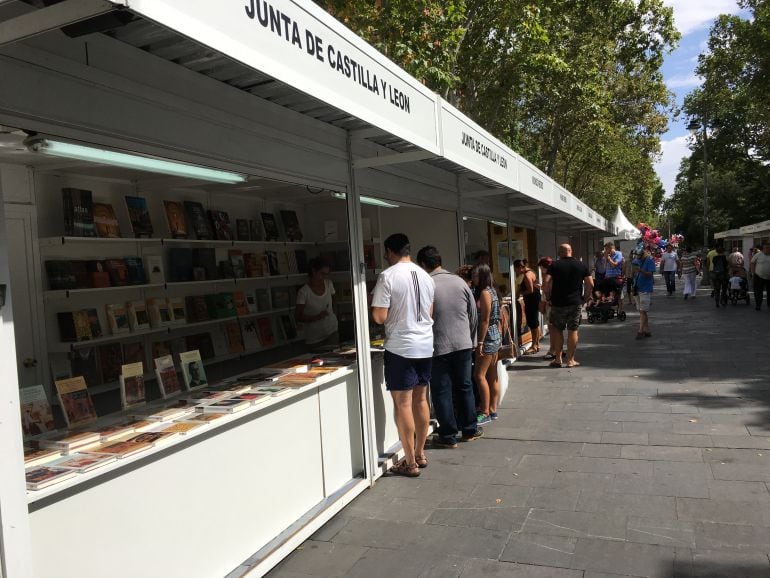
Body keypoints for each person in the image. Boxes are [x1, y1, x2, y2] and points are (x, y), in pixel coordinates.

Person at [371, 233, 435, 478]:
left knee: (403, 404)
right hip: (425, 344)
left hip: (401, 347)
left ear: (390, 251)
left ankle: (410, 462)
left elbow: (379, 316)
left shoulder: (388, 276)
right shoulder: (426, 276)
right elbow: (429, 312)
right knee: (421, 400)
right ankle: (420, 452)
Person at [416, 246, 482, 448]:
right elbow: (473, 315)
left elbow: (423, 317)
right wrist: (470, 340)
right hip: (462, 343)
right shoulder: (459, 281)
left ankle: (448, 436)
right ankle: (469, 429)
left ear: (423, 265)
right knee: (464, 386)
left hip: (438, 346)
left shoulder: (427, 284)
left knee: (442, 390)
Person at [542, 244, 593, 368]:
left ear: (560, 253)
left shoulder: (554, 265)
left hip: (558, 303)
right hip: (575, 303)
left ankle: (558, 359)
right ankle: (570, 360)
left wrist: (548, 297)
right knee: (573, 330)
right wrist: (585, 298)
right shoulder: (581, 265)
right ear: (571, 251)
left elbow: (546, 282)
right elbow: (590, 283)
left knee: (558, 330)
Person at [472, 264, 502, 424]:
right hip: (495, 335)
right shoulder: (493, 290)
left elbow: (485, 319)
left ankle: (485, 411)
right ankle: (493, 409)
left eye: (475, 276)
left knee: (479, 375)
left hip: (487, 336)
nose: (473, 279)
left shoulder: (484, 293)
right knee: (492, 375)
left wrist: (480, 342)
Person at [295, 258, 339, 348]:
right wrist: (316, 317)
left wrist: (334, 313)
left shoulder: (329, 284)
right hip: (314, 338)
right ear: (314, 271)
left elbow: (334, 299)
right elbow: (298, 316)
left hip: (332, 331)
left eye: (327, 274)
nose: (325, 277)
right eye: (322, 274)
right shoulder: (304, 292)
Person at [514, 259, 542, 354]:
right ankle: (536, 344)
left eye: (515, 270)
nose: (515, 272)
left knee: (533, 323)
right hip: (533, 299)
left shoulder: (526, 275)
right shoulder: (530, 271)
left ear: (519, 267)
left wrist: (520, 292)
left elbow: (530, 290)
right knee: (535, 323)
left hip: (532, 300)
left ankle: (534, 345)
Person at [634, 246, 656, 338]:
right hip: (637, 288)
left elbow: (650, 274)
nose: (638, 258)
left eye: (639, 256)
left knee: (643, 310)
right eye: (637, 256)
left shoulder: (649, 260)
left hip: (645, 289)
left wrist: (640, 270)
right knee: (641, 311)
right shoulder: (637, 260)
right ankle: (647, 330)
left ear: (643, 254)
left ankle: (640, 331)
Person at [601, 242, 625, 313]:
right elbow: (604, 267)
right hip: (608, 277)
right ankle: (607, 309)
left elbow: (614, 265)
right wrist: (605, 259)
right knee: (606, 294)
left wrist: (609, 259)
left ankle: (620, 310)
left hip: (616, 277)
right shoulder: (607, 255)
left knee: (619, 295)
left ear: (611, 248)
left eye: (606, 249)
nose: (605, 251)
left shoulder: (618, 254)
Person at [750, 241, 770, 311]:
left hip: (769, 277)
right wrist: (753, 273)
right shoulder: (758, 254)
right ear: (763, 248)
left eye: (768, 248)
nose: (767, 249)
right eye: (765, 248)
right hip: (758, 276)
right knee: (758, 292)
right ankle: (758, 305)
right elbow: (752, 263)